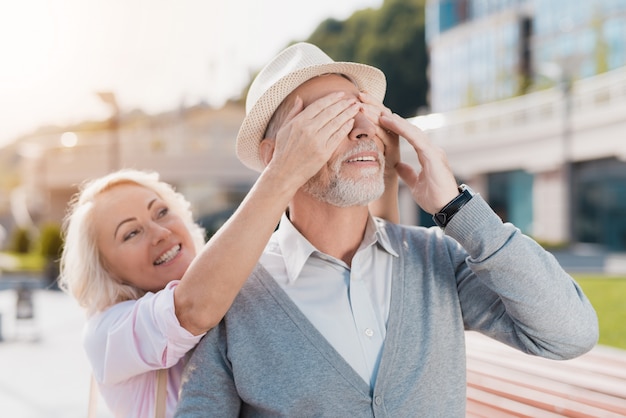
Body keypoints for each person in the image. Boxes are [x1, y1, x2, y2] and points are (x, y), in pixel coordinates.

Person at [174, 42, 599, 417]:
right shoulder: (232, 291)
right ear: (273, 155)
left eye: (365, 113)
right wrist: (280, 178)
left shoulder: (435, 260)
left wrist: (458, 209)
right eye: (329, 119)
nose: (363, 130)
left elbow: (570, 334)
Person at [58, 121, 400, 416]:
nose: (159, 233)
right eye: (131, 233)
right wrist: (284, 171)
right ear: (106, 269)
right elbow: (191, 310)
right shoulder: (106, 336)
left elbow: (369, 274)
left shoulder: (240, 281)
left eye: (161, 212)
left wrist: (383, 173)